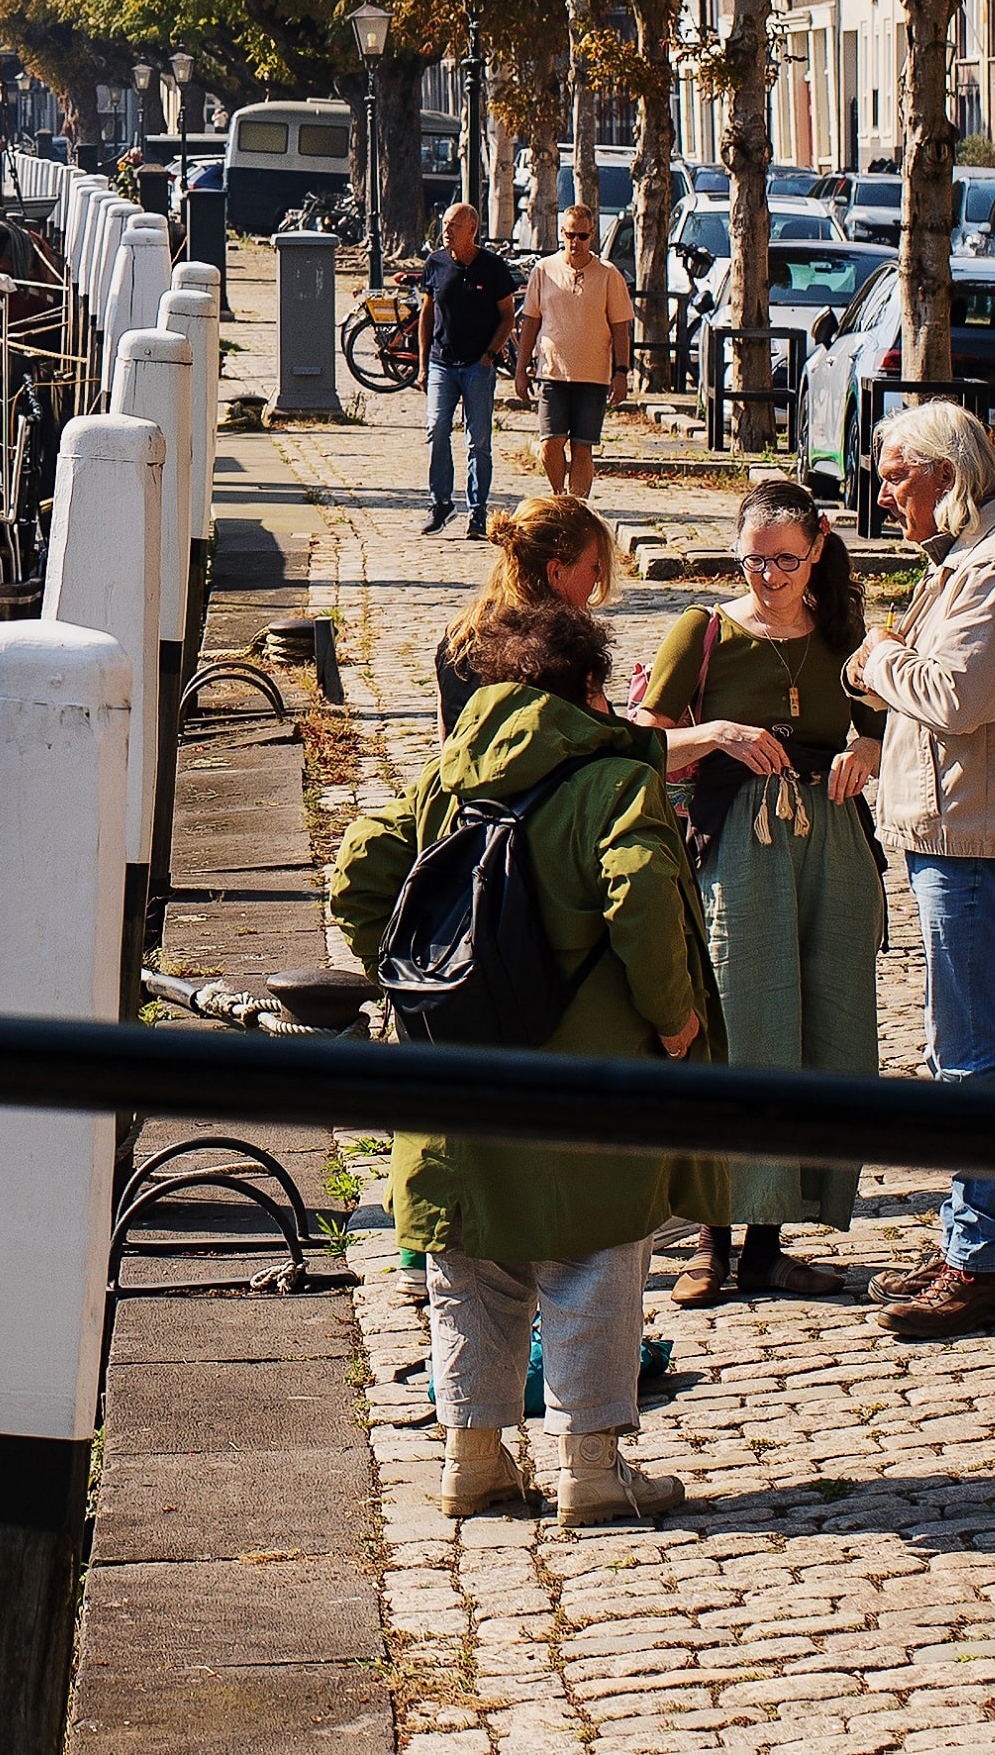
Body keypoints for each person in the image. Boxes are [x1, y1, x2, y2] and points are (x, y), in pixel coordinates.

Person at [327, 597, 707, 1526]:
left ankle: (472, 1463)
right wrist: (674, 1017)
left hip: (456, 1063)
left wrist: (419, 979)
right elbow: (644, 892)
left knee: (472, 1260)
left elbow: (359, 872)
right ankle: (590, 1471)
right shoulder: (616, 782)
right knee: (595, 1260)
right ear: (589, 688)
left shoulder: (446, 775)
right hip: (585, 1074)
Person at [841, 398, 995, 1343]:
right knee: (956, 1051)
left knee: (974, 1058)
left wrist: (877, 660)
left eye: (898, 474)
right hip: (952, 832)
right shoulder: (970, 557)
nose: (884, 492)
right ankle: (968, 1237)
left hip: (977, 839)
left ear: (949, 472)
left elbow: (960, 697)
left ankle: (986, 1261)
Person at [632, 475, 884, 1304]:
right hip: (737, 845)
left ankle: (769, 1245)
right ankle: (712, 1237)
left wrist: (866, 752)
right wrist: (718, 733)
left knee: (819, 1026)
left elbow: (876, 717)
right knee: (737, 1024)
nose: (766, 577)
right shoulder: (702, 631)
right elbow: (643, 746)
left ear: (816, 551)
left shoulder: (843, 628)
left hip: (830, 843)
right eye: (752, 561)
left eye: (783, 560)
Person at [429, 494, 623, 735]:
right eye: (595, 566)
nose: (599, 577)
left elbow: (447, 747)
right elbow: (611, 750)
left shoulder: (459, 636)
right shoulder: (567, 651)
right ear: (557, 572)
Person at [416, 203, 523, 536]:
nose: (446, 230)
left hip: (478, 363)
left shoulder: (492, 268)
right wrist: (422, 363)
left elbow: (508, 315)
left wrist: (491, 353)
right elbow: (427, 314)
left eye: (454, 225)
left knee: (478, 441)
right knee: (436, 429)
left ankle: (477, 510)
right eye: (445, 224)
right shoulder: (435, 263)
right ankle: (441, 503)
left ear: (472, 229)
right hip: (441, 362)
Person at [521, 204, 636, 497]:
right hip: (552, 372)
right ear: (562, 232)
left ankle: (577, 506)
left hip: (593, 375)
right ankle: (560, 496)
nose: (576, 242)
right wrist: (522, 369)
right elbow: (531, 321)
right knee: (550, 443)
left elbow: (620, 328)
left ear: (592, 235)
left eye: (582, 236)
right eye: (571, 235)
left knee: (582, 446)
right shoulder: (544, 270)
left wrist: (621, 372)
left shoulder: (609, 275)